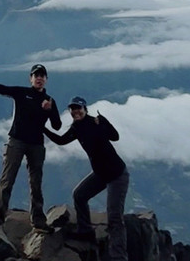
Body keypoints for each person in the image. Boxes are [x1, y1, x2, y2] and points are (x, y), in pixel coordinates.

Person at [0, 63, 61, 232]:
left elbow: (57, 125)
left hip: (36, 144)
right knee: (7, 179)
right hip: (16, 141)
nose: (39, 78)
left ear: (46, 80)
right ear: (30, 78)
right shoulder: (21, 92)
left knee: (36, 183)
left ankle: (38, 220)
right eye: (36, 75)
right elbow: (0, 89)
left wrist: (49, 110)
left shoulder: (49, 101)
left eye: (42, 75)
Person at [44, 96, 129, 259]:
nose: (75, 111)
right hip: (100, 174)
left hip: (117, 175)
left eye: (78, 108)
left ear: (85, 108)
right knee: (79, 195)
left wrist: (105, 122)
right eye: (72, 109)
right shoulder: (76, 128)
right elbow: (62, 140)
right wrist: (43, 129)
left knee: (114, 217)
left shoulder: (95, 123)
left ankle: (119, 256)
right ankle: (85, 231)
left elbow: (115, 136)